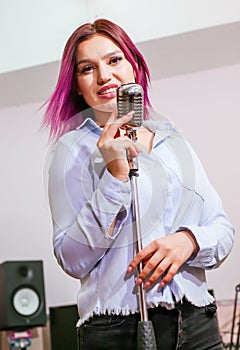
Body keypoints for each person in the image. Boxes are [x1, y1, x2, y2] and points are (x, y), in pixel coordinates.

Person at [43, 18, 234, 349]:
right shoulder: (70, 152)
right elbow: (72, 258)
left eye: (114, 60)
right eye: (87, 68)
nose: (104, 76)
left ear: (134, 67)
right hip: (117, 331)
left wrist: (190, 240)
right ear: (77, 85)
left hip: (196, 323)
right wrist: (115, 175)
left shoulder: (174, 144)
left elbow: (222, 228)